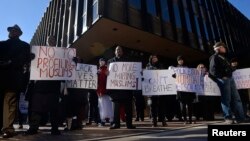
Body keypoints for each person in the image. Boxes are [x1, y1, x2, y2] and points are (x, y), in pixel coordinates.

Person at [25, 36, 61, 135]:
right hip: (40, 84)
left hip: (53, 86)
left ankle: (55, 129)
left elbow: (63, 68)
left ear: (56, 42)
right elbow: (32, 67)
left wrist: (71, 61)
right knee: (37, 108)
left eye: (53, 40)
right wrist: (31, 58)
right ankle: (33, 128)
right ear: (46, 42)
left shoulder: (61, 53)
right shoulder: (39, 53)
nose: (51, 41)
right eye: (49, 40)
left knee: (54, 109)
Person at [0, 25, 31, 138]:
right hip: (3, 78)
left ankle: (8, 128)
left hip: (13, 79)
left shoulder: (24, 46)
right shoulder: (2, 44)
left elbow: (27, 62)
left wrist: (11, 62)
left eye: (14, 30)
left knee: (10, 103)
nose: (12, 32)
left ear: (19, 33)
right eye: (10, 30)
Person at [209, 41, 244, 124]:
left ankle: (240, 117)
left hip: (230, 78)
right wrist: (222, 77)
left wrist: (233, 67)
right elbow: (212, 71)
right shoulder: (214, 57)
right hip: (224, 80)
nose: (225, 49)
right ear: (219, 48)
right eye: (224, 47)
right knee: (226, 99)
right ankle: (227, 117)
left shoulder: (224, 58)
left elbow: (228, 69)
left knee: (236, 98)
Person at [107, 46, 136, 129]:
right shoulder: (110, 62)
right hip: (115, 91)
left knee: (128, 109)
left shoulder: (128, 61)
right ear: (115, 52)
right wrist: (106, 73)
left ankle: (129, 124)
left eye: (120, 50)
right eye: (117, 50)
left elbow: (133, 73)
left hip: (126, 90)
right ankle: (116, 124)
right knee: (116, 110)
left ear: (122, 52)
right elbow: (107, 75)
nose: (118, 51)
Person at [146, 54, 167, 127]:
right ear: (151, 59)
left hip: (161, 90)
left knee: (162, 106)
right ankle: (154, 121)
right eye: (153, 58)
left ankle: (163, 121)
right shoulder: (148, 67)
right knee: (153, 107)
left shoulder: (161, 65)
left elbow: (165, 75)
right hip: (152, 91)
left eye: (156, 57)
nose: (155, 59)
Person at [176, 55, 196, 124]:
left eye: (181, 60)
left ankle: (190, 119)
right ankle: (185, 119)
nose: (180, 61)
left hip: (189, 90)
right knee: (182, 106)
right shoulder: (176, 69)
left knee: (190, 105)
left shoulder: (188, 68)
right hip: (181, 90)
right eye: (179, 60)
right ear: (177, 61)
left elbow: (193, 76)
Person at [96, 58, 113, 126]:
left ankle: (111, 119)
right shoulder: (98, 71)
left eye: (103, 61)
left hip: (107, 90)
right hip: (100, 91)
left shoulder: (108, 70)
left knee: (109, 105)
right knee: (102, 106)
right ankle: (102, 120)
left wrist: (108, 74)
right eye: (100, 61)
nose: (102, 62)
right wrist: (96, 74)